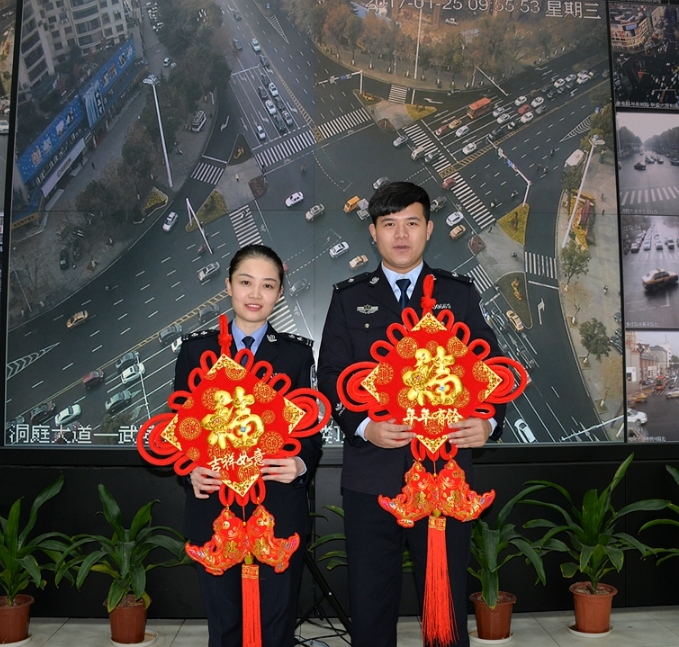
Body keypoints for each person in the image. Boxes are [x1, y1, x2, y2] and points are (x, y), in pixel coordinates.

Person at [317, 182, 505, 647]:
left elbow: (493, 368)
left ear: (429, 229)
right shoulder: (348, 297)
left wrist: (488, 422)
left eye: (411, 223)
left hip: (446, 479)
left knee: (445, 610)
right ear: (373, 233)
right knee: (370, 608)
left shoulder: (458, 294)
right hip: (372, 476)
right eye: (389, 224)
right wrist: (364, 426)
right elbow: (331, 375)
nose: (401, 235)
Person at [175, 244, 322, 647]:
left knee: (276, 628)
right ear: (228, 286)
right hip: (214, 510)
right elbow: (181, 428)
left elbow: (309, 431)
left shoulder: (295, 355)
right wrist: (189, 471)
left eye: (268, 285)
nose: (255, 294)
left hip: (276, 510)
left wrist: (300, 464)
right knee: (225, 628)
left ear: (279, 293)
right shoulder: (196, 351)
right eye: (245, 282)